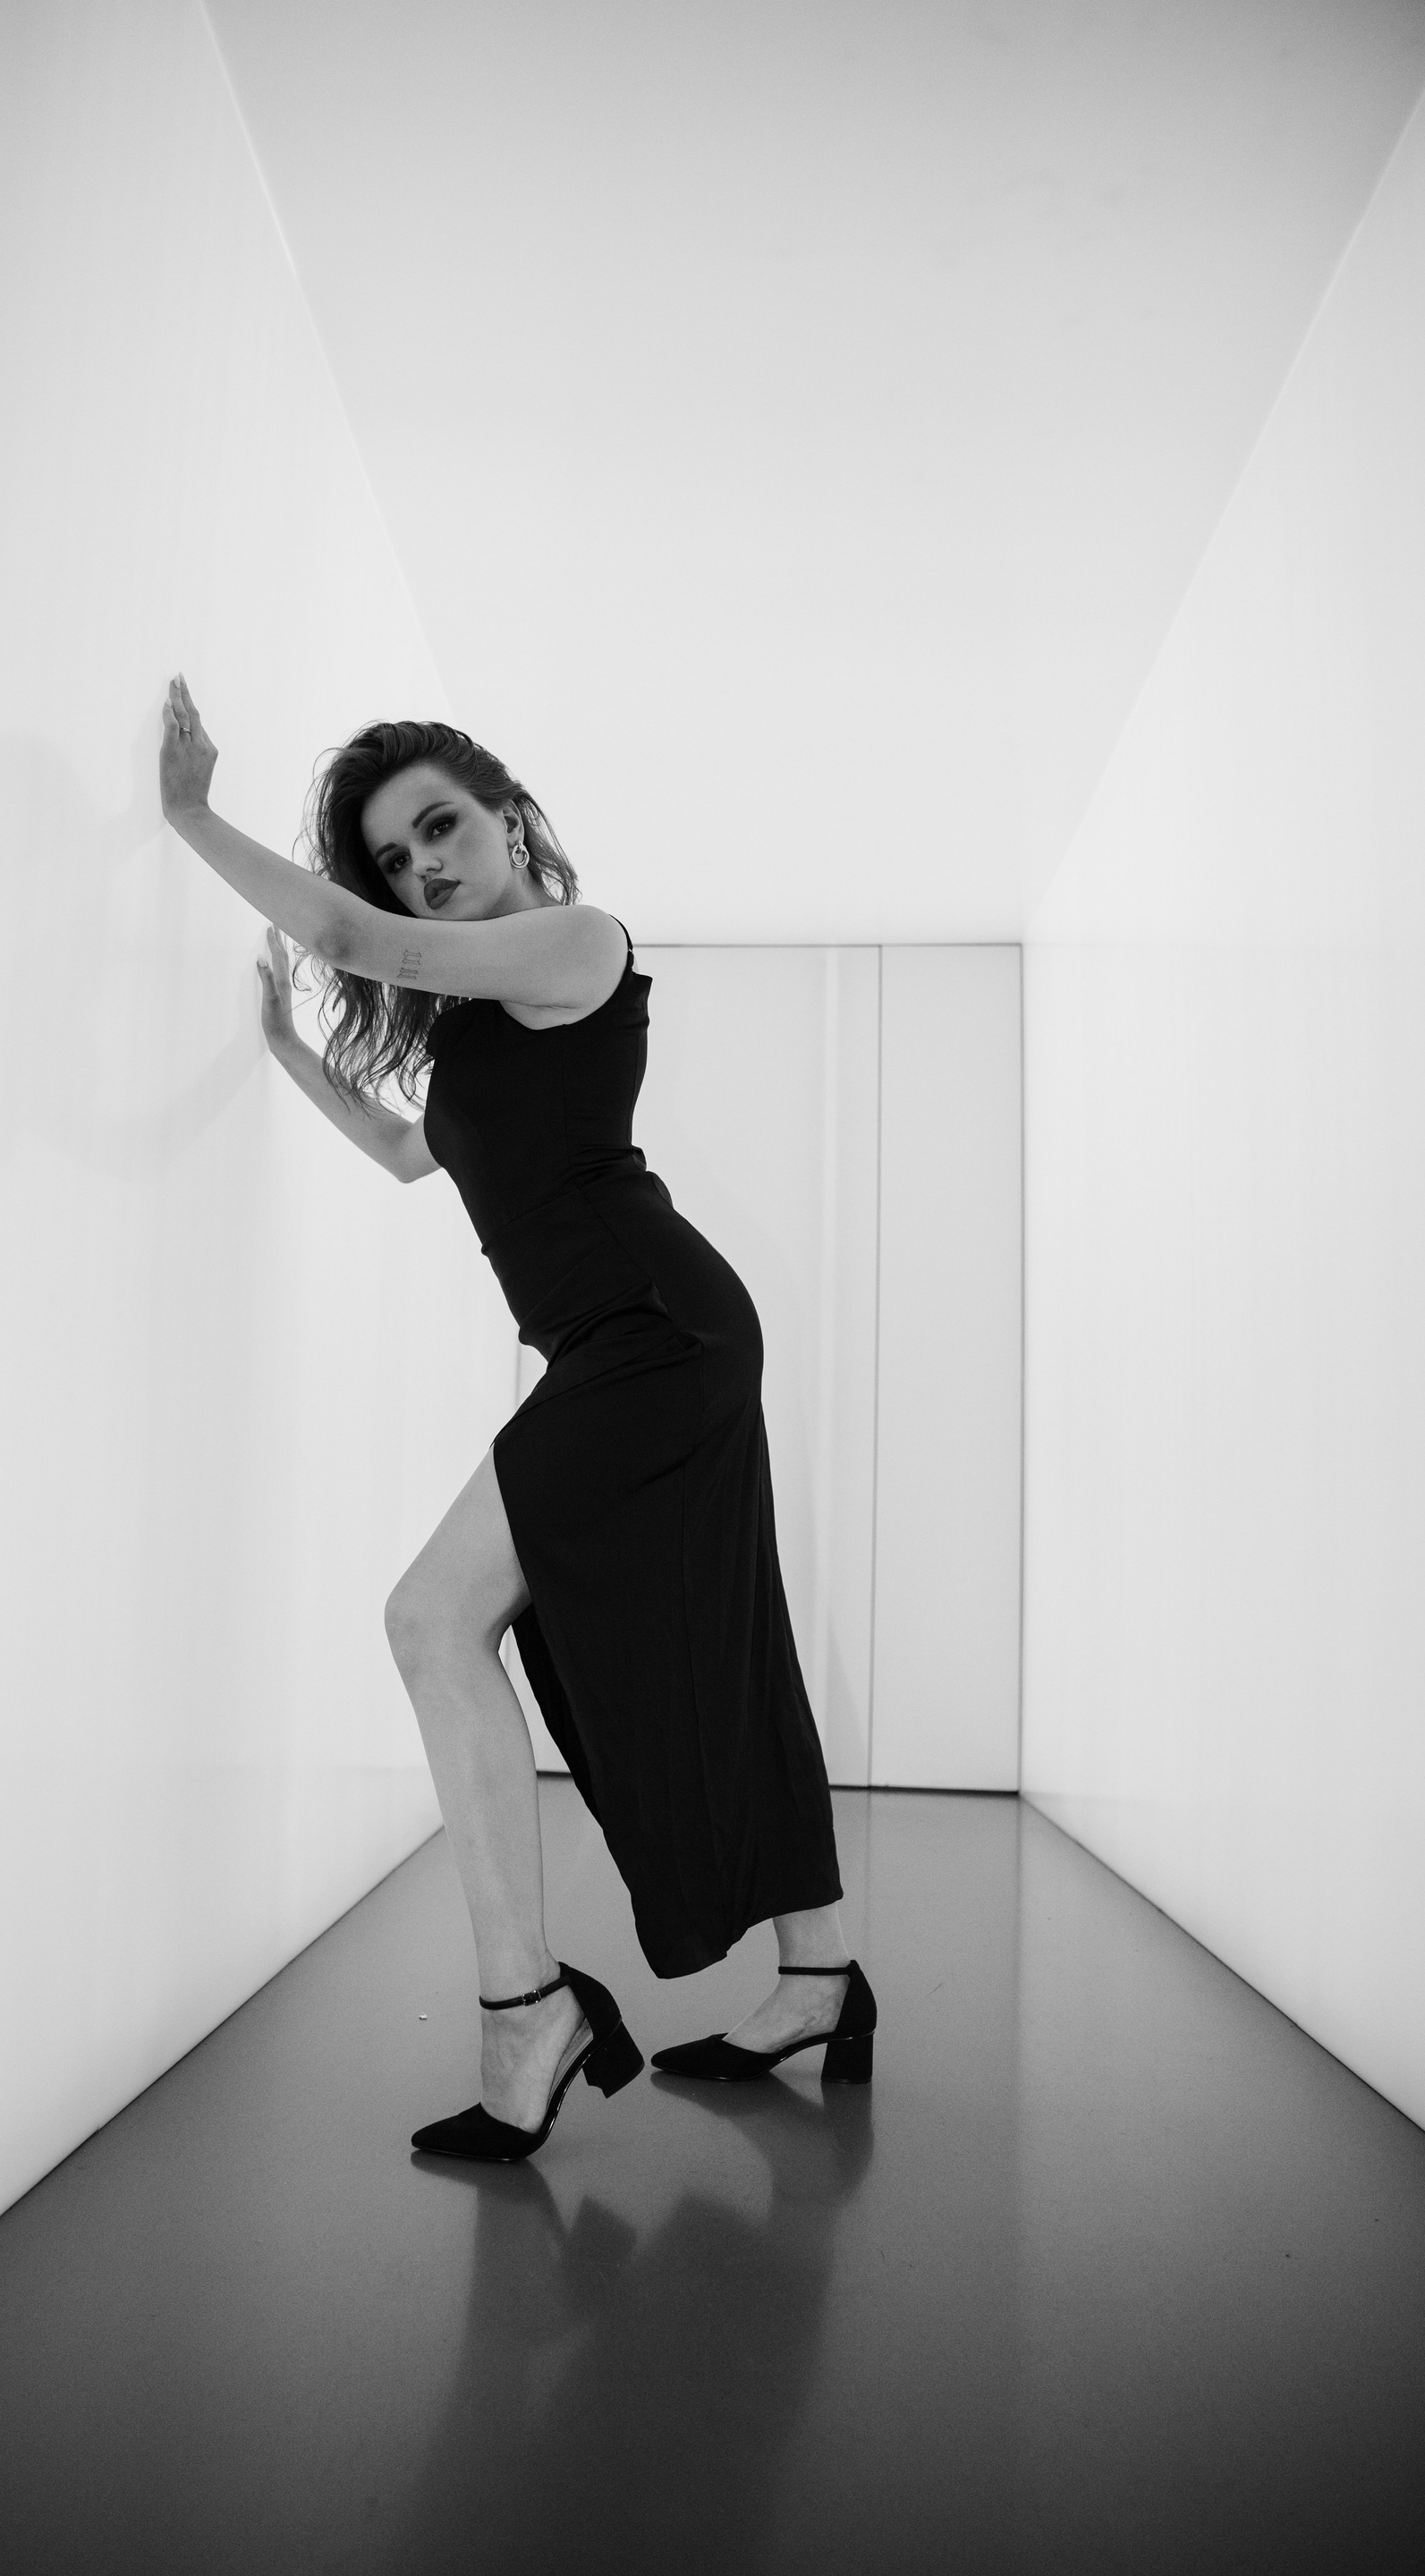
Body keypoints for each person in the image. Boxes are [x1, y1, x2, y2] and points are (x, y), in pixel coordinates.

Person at [159, 675, 878, 2162]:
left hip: (655, 1335)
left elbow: (359, 939)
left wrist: (188, 814)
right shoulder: (485, 1022)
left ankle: (527, 2014)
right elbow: (410, 1155)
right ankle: (818, 1978)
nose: (424, 866)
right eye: (398, 856)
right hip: (628, 1345)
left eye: (441, 828)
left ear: (508, 816)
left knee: (434, 1621)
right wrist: (286, 1052)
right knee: (714, 1641)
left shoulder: (576, 942)